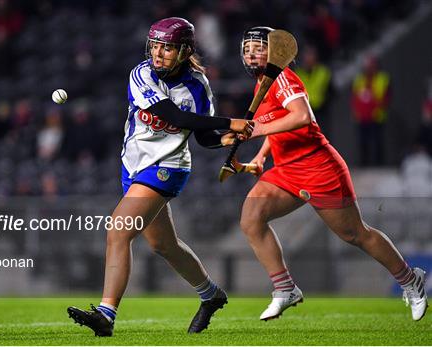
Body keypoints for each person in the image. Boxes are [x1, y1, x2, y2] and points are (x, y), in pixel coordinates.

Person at [66, 17, 254, 337]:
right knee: (164, 245)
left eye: (167, 48)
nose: (159, 54)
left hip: (168, 167)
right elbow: (174, 116)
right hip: (134, 166)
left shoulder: (198, 86)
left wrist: (228, 138)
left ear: (184, 51)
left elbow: (204, 137)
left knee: (118, 230)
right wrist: (231, 123)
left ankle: (106, 314)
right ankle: (211, 295)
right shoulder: (141, 74)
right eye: (156, 46)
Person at [235, 26, 427, 322]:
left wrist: (256, 129)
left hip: (317, 167)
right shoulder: (263, 81)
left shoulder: (283, 77)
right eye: (247, 49)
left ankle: (409, 279)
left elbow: (301, 117)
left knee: (355, 234)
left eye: (257, 48)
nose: (250, 54)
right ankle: (285, 288)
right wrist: (261, 156)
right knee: (251, 217)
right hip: (286, 169)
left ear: (275, 52)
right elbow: (277, 125)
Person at [351, 54, 390, 166]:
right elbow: (355, 97)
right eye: (367, 66)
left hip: (377, 115)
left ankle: (379, 165)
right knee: (363, 142)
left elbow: (386, 97)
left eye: (371, 65)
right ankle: (364, 164)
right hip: (362, 116)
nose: (369, 68)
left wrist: (376, 105)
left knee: (378, 142)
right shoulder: (359, 79)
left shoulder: (383, 78)